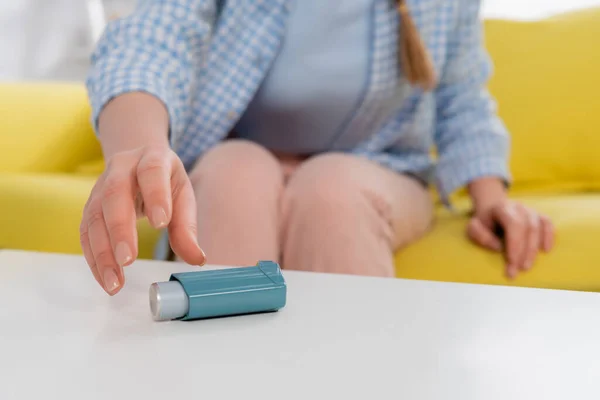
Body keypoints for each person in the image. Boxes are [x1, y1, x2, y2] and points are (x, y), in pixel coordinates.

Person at [82, 0, 555, 296]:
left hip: (376, 168)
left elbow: (462, 94)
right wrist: (142, 147)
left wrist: (491, 199)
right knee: (234, 174)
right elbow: (155, 37)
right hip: (238, 156)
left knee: (332, 191)